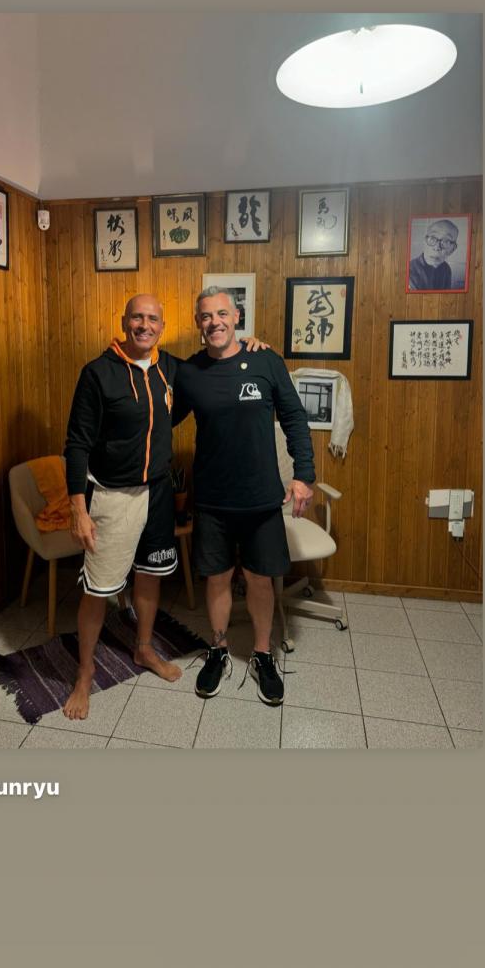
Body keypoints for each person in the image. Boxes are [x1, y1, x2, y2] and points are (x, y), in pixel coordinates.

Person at [62, 293, 266, 720]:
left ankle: (143, 648)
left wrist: (251, 346)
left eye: (153, 319)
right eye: (137, 317)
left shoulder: (171, 368)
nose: (145, 325)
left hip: (157, 492)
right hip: (113, 495)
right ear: (124, 321)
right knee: (98, 589)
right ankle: (84, 673)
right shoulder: (97, 373)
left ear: (162, 326)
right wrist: (78, 508)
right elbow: (76, 444)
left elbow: (215, 361)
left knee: (150, 575)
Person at [173, 287, 315, 707]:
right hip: (212, 499)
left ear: (236, 317)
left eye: (221, 313)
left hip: (260, 498)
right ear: (198, 324)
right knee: (217, 578)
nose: (214, 322)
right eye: (205, 316)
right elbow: (162, 417)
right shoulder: (190, 372)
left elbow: (294, 418)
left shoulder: (266, 361)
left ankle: (262, 654)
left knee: (259, 579)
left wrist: (304, 475)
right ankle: (217, 650)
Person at [408, 218, 459, 291]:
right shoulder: (410, 270)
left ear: (452, 249)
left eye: (446, 241)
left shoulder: (446, 268)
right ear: (424, 241)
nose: (437, 247)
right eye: (432, 238)